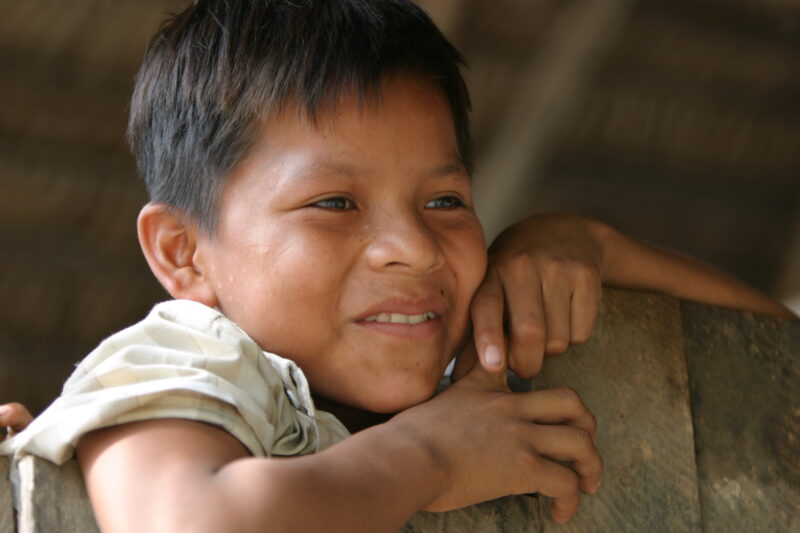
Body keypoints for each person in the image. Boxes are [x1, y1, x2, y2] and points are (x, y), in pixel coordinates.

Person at [1, 1, 794, 532]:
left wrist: (593, 244)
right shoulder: (188, 360)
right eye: (334, 203)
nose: (413, 247)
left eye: (445, 202)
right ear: (185, 253)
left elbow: (770, 360)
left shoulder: (464, 353)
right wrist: (433, 456)